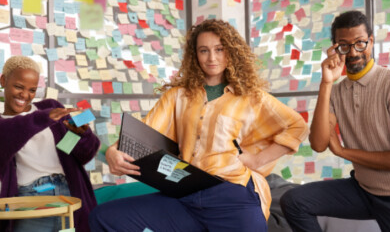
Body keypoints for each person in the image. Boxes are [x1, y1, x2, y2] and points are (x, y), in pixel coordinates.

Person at [89, 19, 308, 232]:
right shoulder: (177, 96)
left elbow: (297, 126)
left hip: (232, 194)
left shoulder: (252, 97)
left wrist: (258, 160)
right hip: (185, 193)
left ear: (231, 52)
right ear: (195, 55)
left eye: (219, 49)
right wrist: (113, 150)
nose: (212, 57)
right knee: (103, 217)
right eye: (204, 50)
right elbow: (144, 131)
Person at [280, 10, 390, 232]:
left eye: (360, 43)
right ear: (334, 49)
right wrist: (326, 83)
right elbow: (319, 144)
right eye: (344, 46)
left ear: (371, 42)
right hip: (364, 190)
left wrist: (343, 152)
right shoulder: (335, 91)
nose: (353, 52)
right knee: (294, 202)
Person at [0, 56, 100, 232]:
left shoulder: (50, 106)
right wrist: (43, 118)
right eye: (18, 87)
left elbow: (83, 155)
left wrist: (82, 135)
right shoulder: (11, 122)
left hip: (69, 193)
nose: (25, 95)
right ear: (3, 80)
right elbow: (12, 132)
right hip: (30, 198)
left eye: (32, 90)